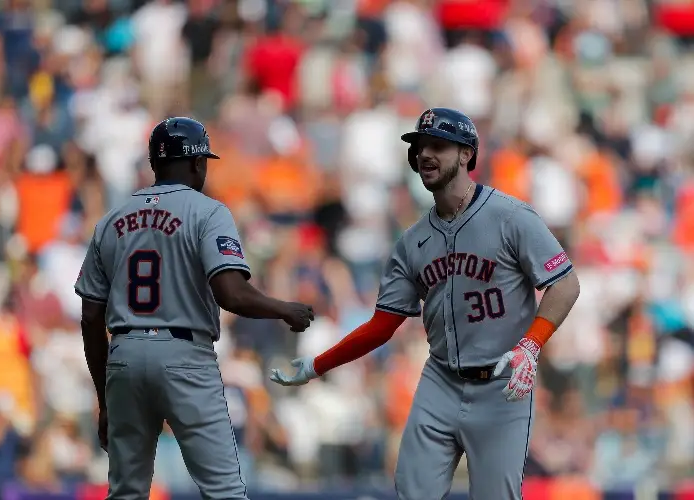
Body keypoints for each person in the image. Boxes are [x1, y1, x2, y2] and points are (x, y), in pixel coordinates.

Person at [269, 108, 581, 499]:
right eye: (419, 147)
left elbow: (565, 283)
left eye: (438, 145)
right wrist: (318, 364)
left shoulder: (511, 217)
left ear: (467, 154)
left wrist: (531, 345)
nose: (425, 155)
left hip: (500, 386)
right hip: (441, 380)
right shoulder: (412, 242)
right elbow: (383, 325)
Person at [75, 117, 314, 500]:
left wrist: (105, 398)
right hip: (183, 353)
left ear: (155, 164)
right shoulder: (208, 212)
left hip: (124, 354)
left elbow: (90, 317)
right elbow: (231, 294)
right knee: (224, 493)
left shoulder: (111, 220)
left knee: (126, 493)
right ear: (196, 163)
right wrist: (283, 308)